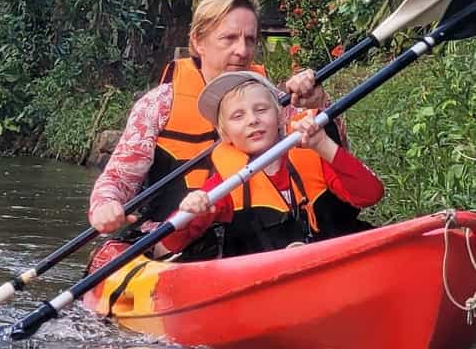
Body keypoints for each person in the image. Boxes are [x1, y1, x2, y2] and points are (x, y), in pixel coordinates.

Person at [88, 0, 347, 258]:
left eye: (250, 40)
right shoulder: (159, 105)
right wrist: (106, 204)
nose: (242, 51)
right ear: (198, 41)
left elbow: (337, 163)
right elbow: (118, 179)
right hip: (175, 243)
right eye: (229, 39)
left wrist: (319, 105)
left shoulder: (276, 101)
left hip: (261, 243)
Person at [160, 71, 383, 257]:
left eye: (261, 109)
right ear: (224, 133)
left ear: (280, 116)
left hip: (338, 262)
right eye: (238, 116)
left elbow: (370, 194)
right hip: (271, 284)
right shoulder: (225, 184)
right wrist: (189, 209)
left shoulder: (313, 154)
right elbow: (172, 242)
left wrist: (325, 146)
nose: (252, 120)